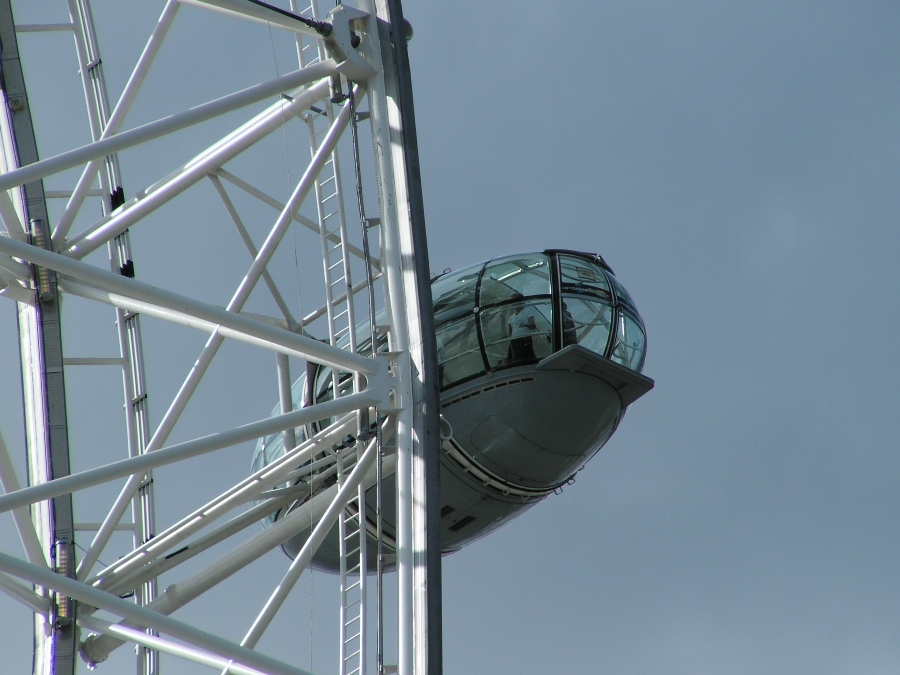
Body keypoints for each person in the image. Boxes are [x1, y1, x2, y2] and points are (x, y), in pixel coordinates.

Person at [507, 293, 539, 362]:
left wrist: (525, 325)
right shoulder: (511, 318)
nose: (512, 303)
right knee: (516, 359)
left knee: (527, 358)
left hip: (525, 339)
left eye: (513, 300)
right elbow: (510, 333)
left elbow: (533, 326)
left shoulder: (528, 311)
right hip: (514, 341)